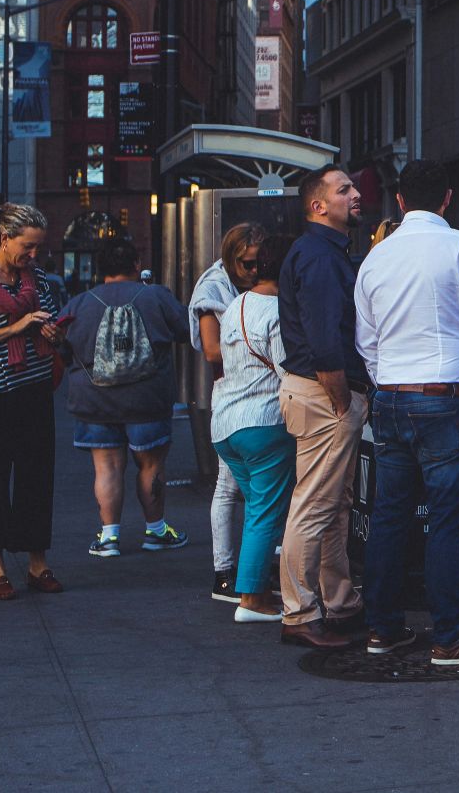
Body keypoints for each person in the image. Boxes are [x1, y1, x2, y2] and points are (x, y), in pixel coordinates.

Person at [355, 160, 459, 664]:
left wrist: (387, 379)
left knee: (389, 517)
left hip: (391, 396)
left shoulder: (375, 261)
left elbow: (366, 340)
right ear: (447, 198)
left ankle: (383, 628)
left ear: (399, 201)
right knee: (448, 521)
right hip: (446, 398)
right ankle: (449, 636)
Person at [277, 164, 369, 650]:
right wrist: (341, 399)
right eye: (344, 189)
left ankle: (339, 603)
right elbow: (325, 340)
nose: (355, 195)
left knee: (333, 506)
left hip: (321, 391)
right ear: (319, 205)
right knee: (314, 506)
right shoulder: (317, 255)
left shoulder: (322, 252)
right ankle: (299, 612)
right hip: (323, 392)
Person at [59, 239, 193, 558]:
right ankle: (156, 531)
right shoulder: (156, 296)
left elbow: (63, 351)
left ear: (99, 270)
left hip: (94, 401)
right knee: (150, 466)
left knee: (106, 467)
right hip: (148, 398)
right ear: (136, 265)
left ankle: (109, 538)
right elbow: (187, 331)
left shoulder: (78, 304)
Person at [0, 204, 66, 600]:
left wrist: (52, 333)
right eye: (27, 248)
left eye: (38, 250)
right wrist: (14, 328)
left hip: (32, 387)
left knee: (36, 475)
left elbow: (53, 323)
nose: (33, 257)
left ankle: (37, 563)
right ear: (4, 238)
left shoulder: (40, 280)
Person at [210, 233, 296, 625]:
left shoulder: (236, 305)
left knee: (259, 511)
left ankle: (254, 587)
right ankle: (252, 599)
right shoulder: (278, 311)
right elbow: (287, 370)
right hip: (263, 422)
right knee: (265, 513)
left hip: (225, 424)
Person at [190, 222, 266, 603]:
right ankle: (225, 570)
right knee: (229, 486)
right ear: (231, 258)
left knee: (255, 489)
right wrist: (254, 345)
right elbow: (210, 350)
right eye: (246, 264)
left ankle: (247, 568)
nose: (252, 271)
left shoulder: (250, 286)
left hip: (256, 394)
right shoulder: (213, 290)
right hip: (232, 393)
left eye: (257, 264)